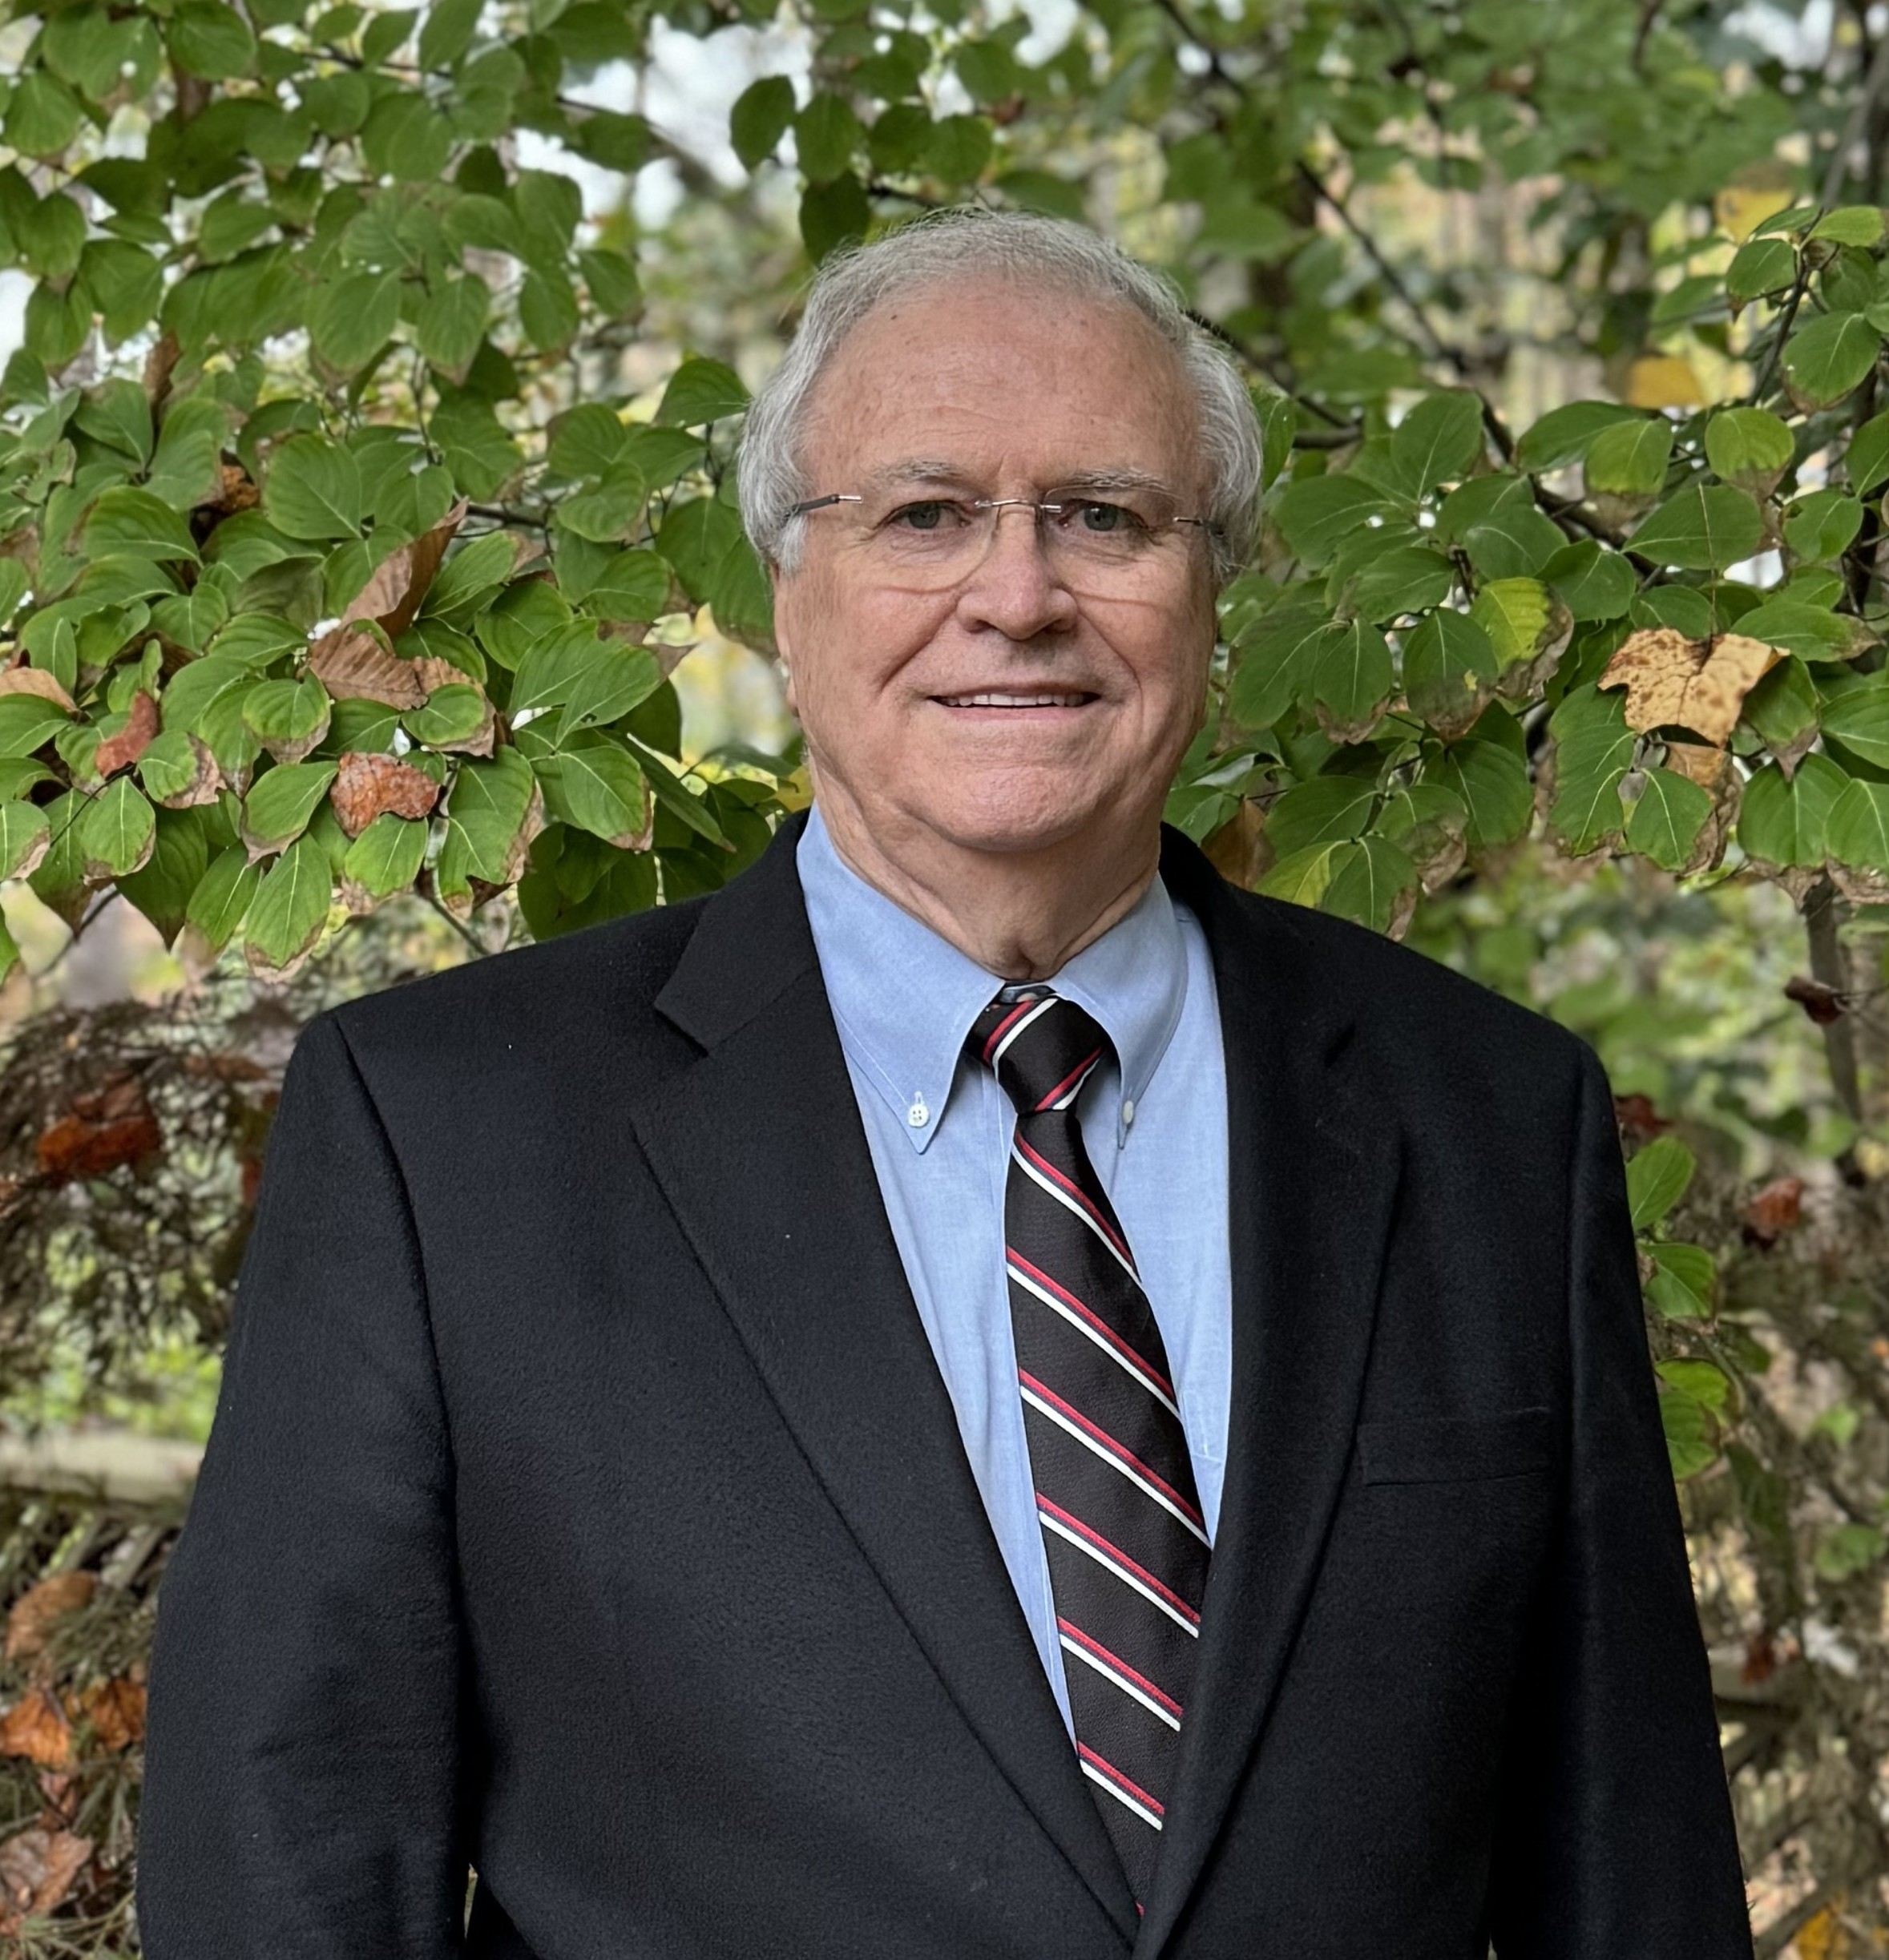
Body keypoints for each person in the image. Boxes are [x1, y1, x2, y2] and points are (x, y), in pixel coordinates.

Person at [139, 208, 1752, 1958]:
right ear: (787, 591)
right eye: (924, 513)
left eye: (1105, 515)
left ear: (1216, 583)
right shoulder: (442, 1133)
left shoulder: (1495, 1119)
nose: (1019, 593)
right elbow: (284, 1858)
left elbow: (1632, 1870)